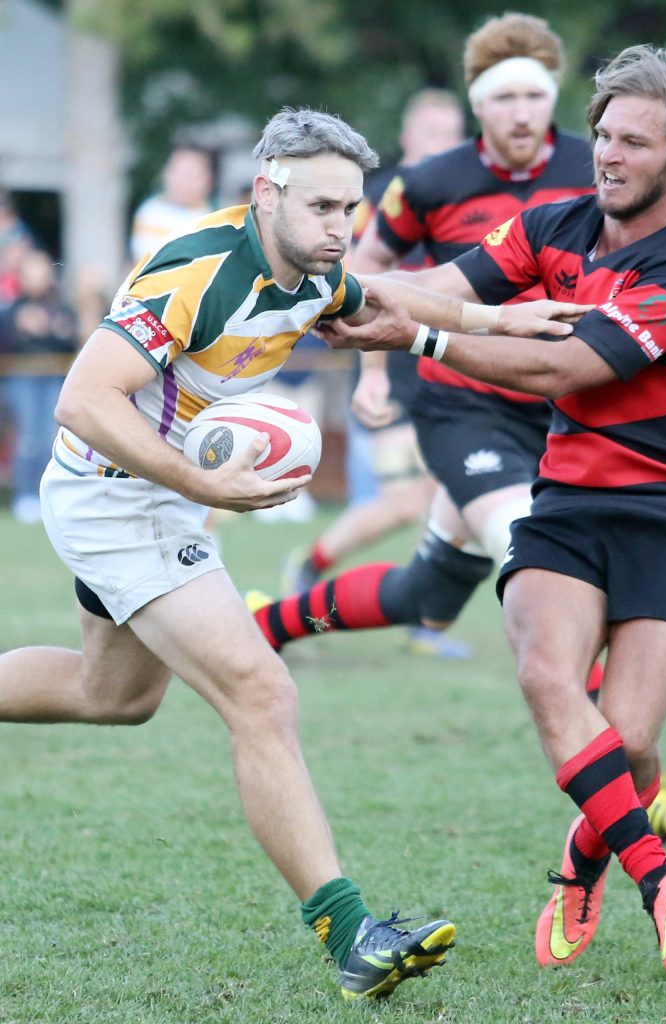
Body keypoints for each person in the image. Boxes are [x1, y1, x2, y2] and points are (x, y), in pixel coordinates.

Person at [0, 108, 480, 1003]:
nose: (344, 225)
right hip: (114, 496)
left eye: (353, 207)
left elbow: (384, 297)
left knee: (115, 698)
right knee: (262, 693)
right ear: (268, 192)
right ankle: (351, 936)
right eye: (326, 206)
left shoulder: (312, 269)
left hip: (153, 493)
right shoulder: (197, 270)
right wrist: (199, 481)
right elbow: (80, 398)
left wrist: (505, 320)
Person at [315, 45, 666, 975]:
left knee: (627, 744)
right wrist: (333, 291)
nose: (607, 154)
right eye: (601, 134)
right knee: (549, 677)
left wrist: (418, 334)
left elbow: (562, 367)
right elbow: (442, 287)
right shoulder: (551, 221)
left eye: (634, 142)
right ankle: (659, 876)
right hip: (567, 507)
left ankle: (583, 857)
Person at [248, 13, 666, 840]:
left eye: (536, 95)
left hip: (549, 411)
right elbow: (398, 276)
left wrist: (418, 330)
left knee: (430, 588)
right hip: (462, 403)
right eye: (502, 97)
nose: (522, 113)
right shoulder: (433, 179)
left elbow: (557, 362)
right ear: (480, 106)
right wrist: (318, 308)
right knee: (533, 580)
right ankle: (626, 772)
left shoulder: (606, 184)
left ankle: (268, 622)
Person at [281, 90, 466, 657]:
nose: (444, 143)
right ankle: (307, 568)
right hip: (392, 368)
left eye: (453, 132)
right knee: (408, 500)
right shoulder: (386, 201)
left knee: (443, 498)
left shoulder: (457, 197)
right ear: (408, 138)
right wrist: (375, 373)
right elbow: (363, 289)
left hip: (439, 365)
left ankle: (422, 623)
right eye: (432, 132)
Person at [0, 249, 78, 522]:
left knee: (51, 438)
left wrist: (52, 329)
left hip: (54, 377)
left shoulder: (61, 307)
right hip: (22, 378)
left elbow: (72, 341)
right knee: (27, 438)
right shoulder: (11, 309)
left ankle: (48, 496)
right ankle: (25, 495)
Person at [129, 144, 215, 263]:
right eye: (179, 173)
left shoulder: (213, 223)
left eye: (190, 175)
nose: (183, 182)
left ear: (207, 180)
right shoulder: (150, 212)